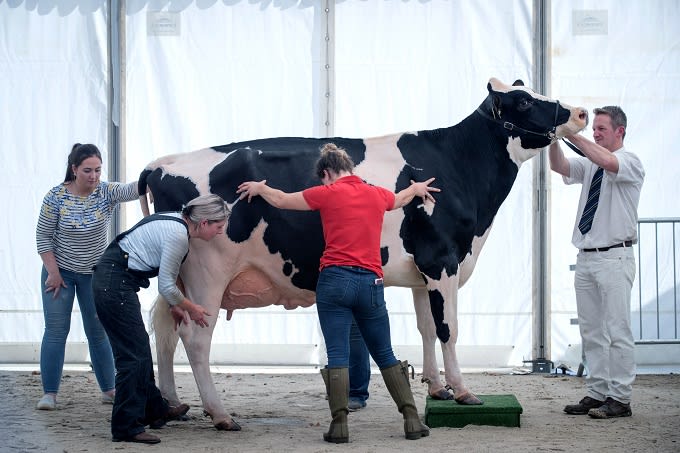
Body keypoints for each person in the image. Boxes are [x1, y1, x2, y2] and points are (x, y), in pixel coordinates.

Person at [237, 143, 437, 442]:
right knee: (384, 352)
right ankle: (411, 420)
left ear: (327, 173)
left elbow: (281, 199)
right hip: (370, 282)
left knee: (338, 353)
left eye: (323, 178)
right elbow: (399, 199)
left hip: (334, 281)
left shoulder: (326, 193)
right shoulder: (376, 193)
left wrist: (259, 187)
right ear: (350, 169)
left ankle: (339, 426)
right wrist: (417, 188)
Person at [92, 194, 228, 444]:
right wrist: (191, 308)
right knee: (133, 358)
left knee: (140, 350)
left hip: (114, 280)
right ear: (204, 223)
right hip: (114, 284)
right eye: (218, 227)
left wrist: (177, 307)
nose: (220, 233)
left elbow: (162, 272)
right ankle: (126, 427)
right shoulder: (178, 237)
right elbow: (166, 286)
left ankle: (155, 410)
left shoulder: (174, 221)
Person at [549, 106, 645, 419]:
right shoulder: (591, 163)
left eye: (602, 128)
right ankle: (599, 391)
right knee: (592, 331)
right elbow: (560, 166)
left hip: (615, 257)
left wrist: (571, 133)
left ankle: (621, 398)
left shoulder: (628, 161)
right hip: (587, 258)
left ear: (621, 131)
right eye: (595, 129)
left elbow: (605, 160)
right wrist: (553, 136)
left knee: (617, 330)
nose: (596, 133)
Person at [35, 143, 139, 411]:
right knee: (57, 331)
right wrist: (54, 274)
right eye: (88, 171)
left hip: (95, 275)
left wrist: (158, 170)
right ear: (74, 169)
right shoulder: (55, 197)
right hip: (59, 272)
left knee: (98, 331)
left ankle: (109, 390)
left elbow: (135, 189)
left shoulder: (106, 192)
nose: (94, 176)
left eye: (98, 170)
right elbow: (43, 238)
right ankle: (49, 394)